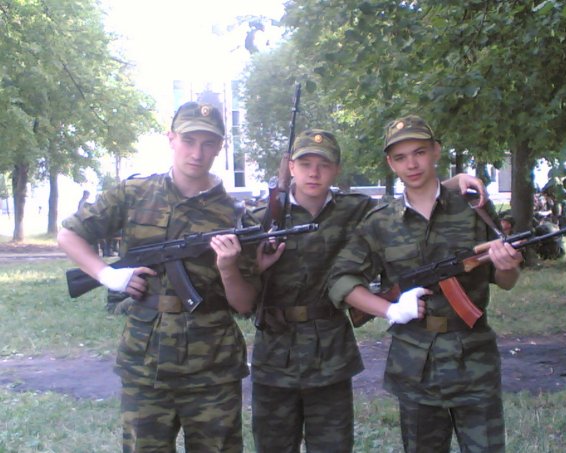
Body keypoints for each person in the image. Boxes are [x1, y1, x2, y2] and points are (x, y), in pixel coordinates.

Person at [251, 128, 489, 453]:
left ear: (336, 170)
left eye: (324, 164)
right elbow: (240, 291)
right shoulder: (261, 219)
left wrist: (455, 181)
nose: (314, 172)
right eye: (305, 163)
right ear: (291, 166)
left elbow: (411, 198)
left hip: (330, 352)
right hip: (274, 352)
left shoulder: (355, 209)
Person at [57, 101, 259, 452]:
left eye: (208, 143)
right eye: (188, 140)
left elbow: (244, 304)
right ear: (171, 138)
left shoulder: (236, 214)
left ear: (220, 147)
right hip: (144, 359)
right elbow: (69, 234)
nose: (197, 153)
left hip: (212, 364)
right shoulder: (134, 194)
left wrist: (227, 267)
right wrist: (107, 275)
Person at [328, 115, 524, 453]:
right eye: (401, 157)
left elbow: (505, 280)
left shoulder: (473, 207)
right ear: (390, 163)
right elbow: (340, 280)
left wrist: (508, 264)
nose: (412, 164)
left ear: (436, 151)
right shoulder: (380, 222)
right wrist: (390, 310)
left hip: (473, 361)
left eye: (419, 152)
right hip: (415, 366)